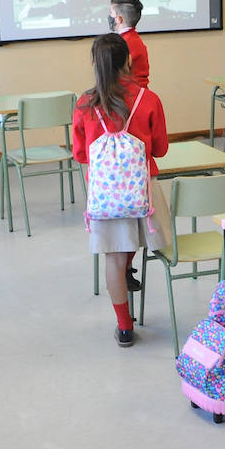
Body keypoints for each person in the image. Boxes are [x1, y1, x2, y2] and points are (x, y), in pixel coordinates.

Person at [72, 33, 169, 348]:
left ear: (94, 64)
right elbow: (161, 149)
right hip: (145, 192)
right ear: (129, 60)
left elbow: (80, 154)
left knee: (112, 257)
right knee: (140, 240)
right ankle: (130, 265)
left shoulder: (85, 103)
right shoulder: (148, 99)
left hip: (106, 194)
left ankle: (124, 327)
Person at [109, 0, 149, 87]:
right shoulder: (131, 38)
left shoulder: (124, 44)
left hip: (131, 95)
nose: (109, 16)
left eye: (111, 12)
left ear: (119, 19)